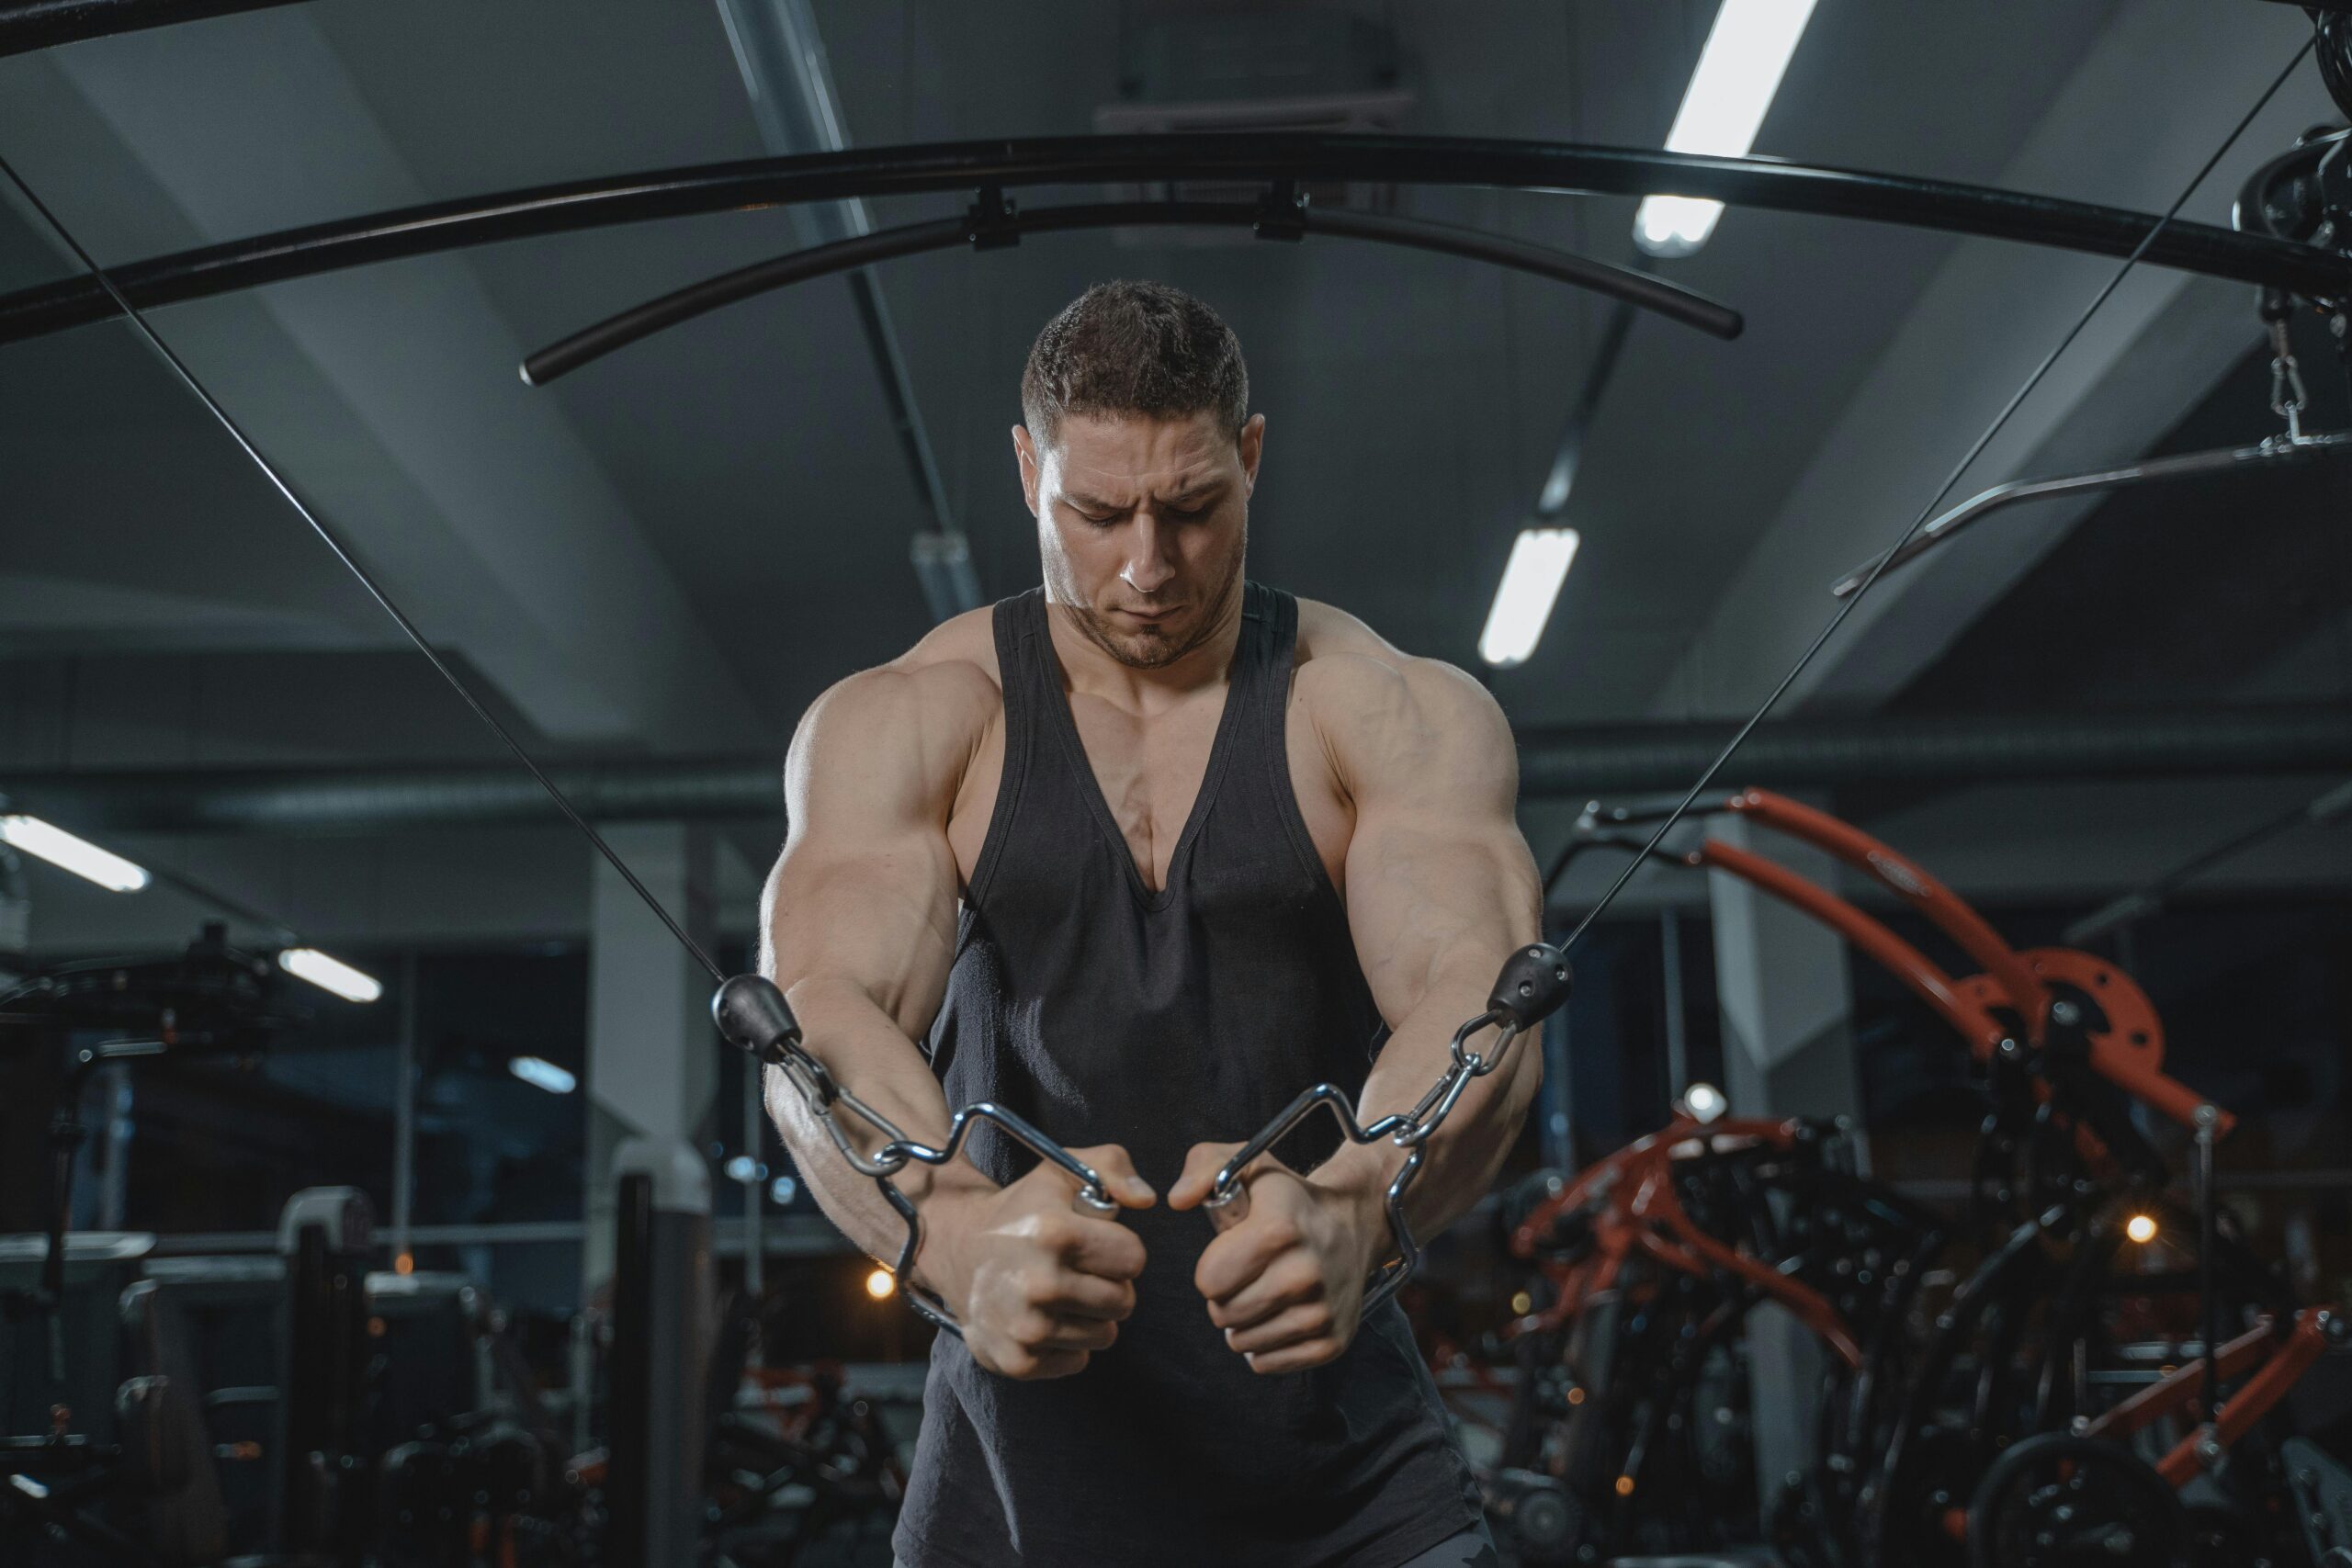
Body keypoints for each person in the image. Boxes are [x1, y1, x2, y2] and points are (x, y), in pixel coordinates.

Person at [761, 279, 1542, 1567]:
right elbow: (819, 1013)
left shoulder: (1378, 708)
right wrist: (949, 1236)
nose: (1147, 566)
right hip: (1011, 1499)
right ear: (1029, 472)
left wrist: (1360, 1203)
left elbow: (1477, 987)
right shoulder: (912, 719)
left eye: (1191, 508)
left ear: (1251, 457)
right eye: (1097, 512)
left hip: (1352, 1489)